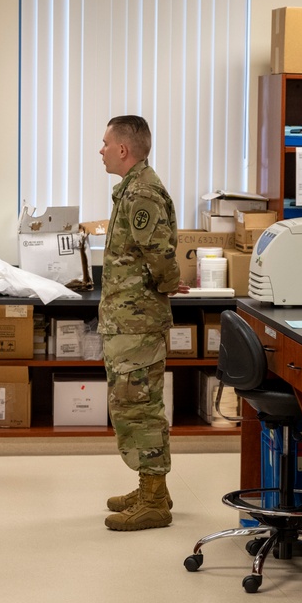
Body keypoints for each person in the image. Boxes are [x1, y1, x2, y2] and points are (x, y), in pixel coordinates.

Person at [98, 115, 188, 531]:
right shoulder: (131, 189)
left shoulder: (142, 194)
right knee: (131, 405)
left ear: (122, 149)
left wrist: (170, 285)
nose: (100, 151)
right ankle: (152, 486)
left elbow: (161, 257)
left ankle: (153, 498)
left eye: (104, 144)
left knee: (140, 408)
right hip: (126, 322)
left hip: (137, 324)